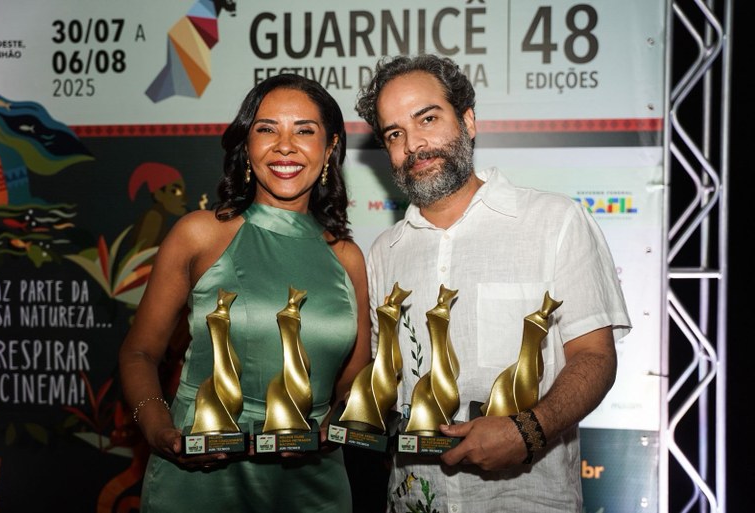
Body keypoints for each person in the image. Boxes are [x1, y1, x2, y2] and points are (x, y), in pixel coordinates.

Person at [355, 54, 632, 512]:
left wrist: (530, 430)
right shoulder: (384, 252)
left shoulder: (554, 221)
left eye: (428, 119)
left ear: (468, 121)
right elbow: (380, 383)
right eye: (395, 134)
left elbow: (596, 357)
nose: (414, 144)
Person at [119, 73, 371, 513]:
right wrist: (159, 432)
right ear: (247, 145)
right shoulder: (200, 234)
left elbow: (355, 377)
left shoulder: (347, 257)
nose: (285, 146)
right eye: (267, 129)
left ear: (330, 147)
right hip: (201, 477)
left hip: (313, 483)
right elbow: (139, 353)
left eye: (304, 131)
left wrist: (332, 429)